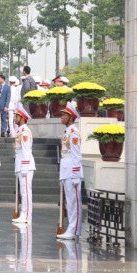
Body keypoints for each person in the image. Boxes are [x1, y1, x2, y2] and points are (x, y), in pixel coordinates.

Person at [58, 101, 83, 240]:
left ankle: (74, 229)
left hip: (72, 171)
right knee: (69, 201)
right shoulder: (67, 132)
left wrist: (75, 174)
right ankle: (71, 228)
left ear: (71, 117)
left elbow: (76, 155)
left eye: (64, 115)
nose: (62, 116)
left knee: (74, 202)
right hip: (66, 169)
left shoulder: (74, 133)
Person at [12, 103, 35, 225]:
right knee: (23, 191)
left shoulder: (25, 131)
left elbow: (26, 149)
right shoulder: (20, 130)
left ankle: (26, 215)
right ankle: (24, 213)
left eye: (16, 116)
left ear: (22, 118)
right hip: (20, 163)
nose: (15, 118)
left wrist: (25, 166)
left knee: (26, 191)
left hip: (25, 164)